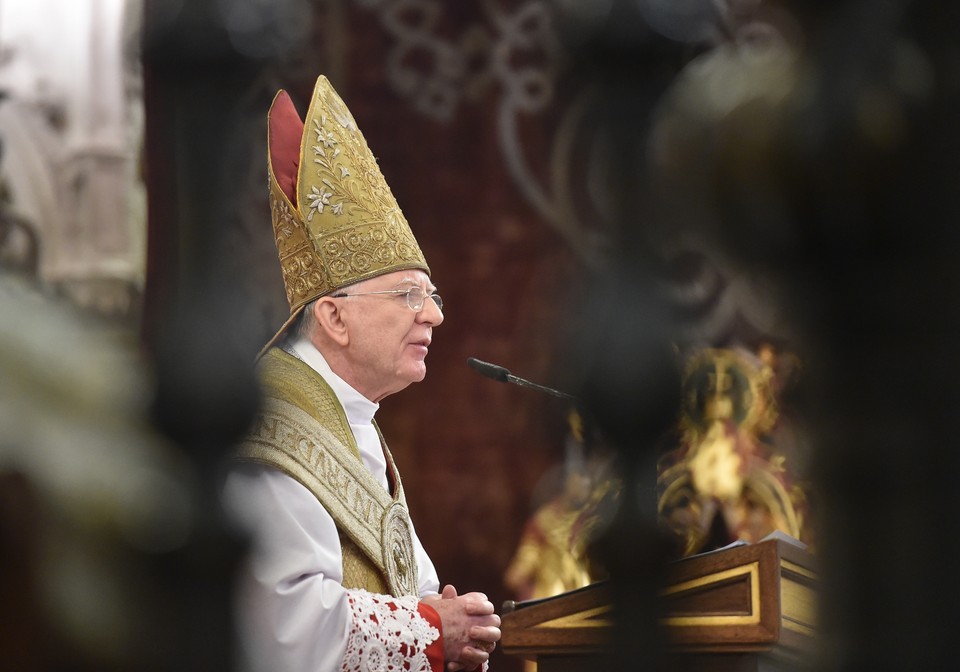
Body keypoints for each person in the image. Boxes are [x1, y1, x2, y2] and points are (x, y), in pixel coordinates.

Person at [222, 75, 501, 672]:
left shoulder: (351, 416)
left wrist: (448, 615)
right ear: (334, 316)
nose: (434, 314)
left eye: (431, 294)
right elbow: (282, 624)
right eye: (408, 294)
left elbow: (404, 583)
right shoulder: (276, 426)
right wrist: (429, 630)